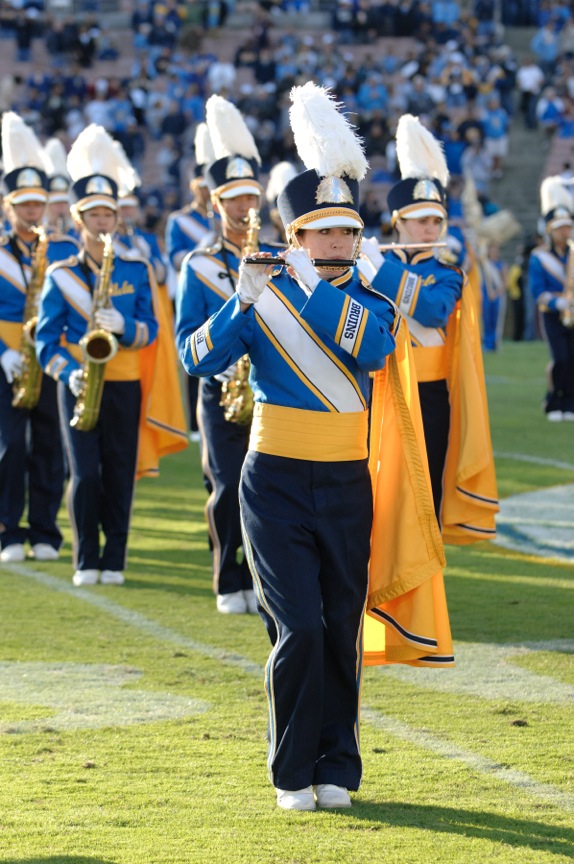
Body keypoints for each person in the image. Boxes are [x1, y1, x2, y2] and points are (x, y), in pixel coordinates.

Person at [179, 82, 399, 811]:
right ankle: (289, 769)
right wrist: (241, 299)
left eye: (346, 233)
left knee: (340, 625)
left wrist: (305, 287)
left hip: (344, 480)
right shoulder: (262, 289)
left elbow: (371, 349)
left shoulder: (368, 297)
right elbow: (196, 359)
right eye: (321, 234)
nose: (337, 244)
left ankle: (338, 765)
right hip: (271, 480)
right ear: (296, 236)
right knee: (297, 625)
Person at [36, 124, 186, 587]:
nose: (103, 222)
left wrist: (127, 329)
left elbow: (152, 330)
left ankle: (114, 559)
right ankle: (86, 559)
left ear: (116, 220)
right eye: (94, 215)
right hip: (79, 384)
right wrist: (68, 373)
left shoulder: (138, 269)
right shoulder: (60, 273)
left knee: (120, 472)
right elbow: (46, 338)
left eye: (108, 214)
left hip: (124, 383)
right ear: (79, 221)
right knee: (84, 475)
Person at [360, 113, 498, 541]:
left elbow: (435, 312)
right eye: (420, 220)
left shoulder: (448, 272)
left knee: (426, 490)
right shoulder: (366, 266)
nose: (429, 228)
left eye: (436, 220)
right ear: (397, 220)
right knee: (377, 488)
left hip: (429, 393)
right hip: (379, 389)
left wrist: (380, 269)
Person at [175, 95, 279, 616]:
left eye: (251, 197)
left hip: (271, 388)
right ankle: (226, 580)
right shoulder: (196, 265)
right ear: (216, 204)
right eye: (234, 199)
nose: (245, 208)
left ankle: (264, 579)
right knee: (224, 483)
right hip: (219, 388)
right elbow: (185, 338)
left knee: (265, 490)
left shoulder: (280, 256)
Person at [0, 112, 79, 564]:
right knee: (10, 447)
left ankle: (46, 529)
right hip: (8, 357)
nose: (32, 212)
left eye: (38, 204)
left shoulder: (64, 249)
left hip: (51, 354)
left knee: (51, 444)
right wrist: (3, 354)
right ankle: (9, 530)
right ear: (9, 207)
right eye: (23, 205)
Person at [166, 123, 219, 442]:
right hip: (191, 289)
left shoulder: (219, 218)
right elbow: (174, 258)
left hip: (220, 292)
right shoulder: (179, 220)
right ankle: (196, 424)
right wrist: (203, 248)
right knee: (193, 348)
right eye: (199, 186)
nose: (203, 191)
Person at [528, 176, 574, 421]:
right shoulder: (539, 257)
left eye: (567, 226)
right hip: (552, 314)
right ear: (550, 230)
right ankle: (554, 401)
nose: (565, 231)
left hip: (573, 311)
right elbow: (537, 292)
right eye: (560, 227)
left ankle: (570, 404)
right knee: (561, 358)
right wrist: (559, 303)